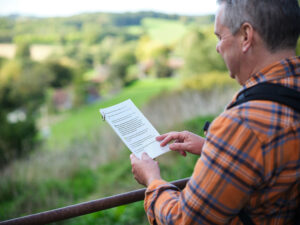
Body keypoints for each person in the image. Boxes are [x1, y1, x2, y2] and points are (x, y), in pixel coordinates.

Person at [130, 0, 300, 224]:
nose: (218, 47)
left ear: (246, 36)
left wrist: (152, 180)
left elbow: (183, 221)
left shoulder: (243, 125)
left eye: (220, 37)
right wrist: (214, 148)